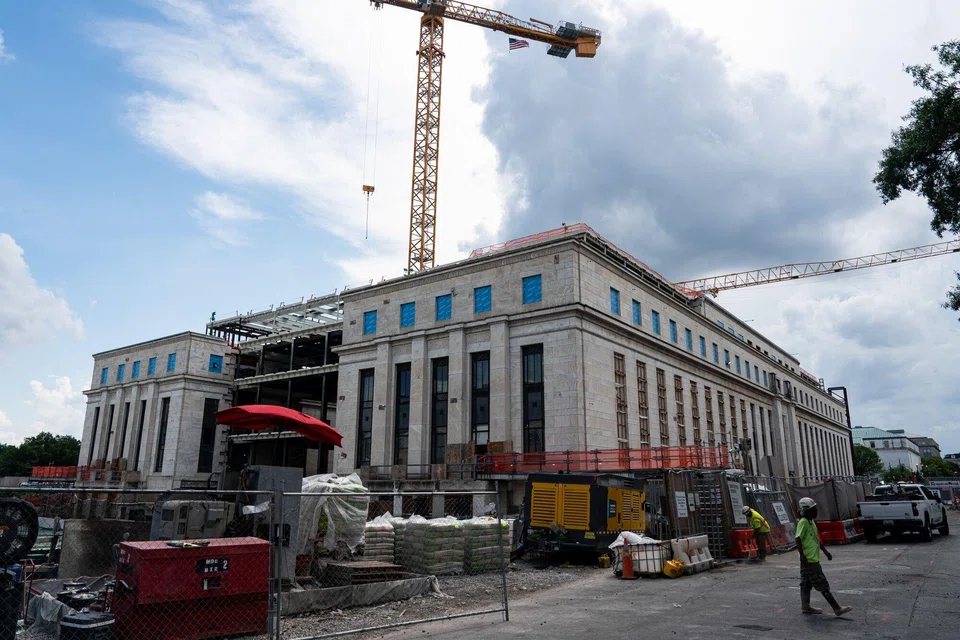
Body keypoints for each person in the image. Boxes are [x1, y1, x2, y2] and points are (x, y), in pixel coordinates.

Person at [795, 497, 852, 616]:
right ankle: (837, 608)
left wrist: (825, 551)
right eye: (813, 510)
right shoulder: (803, 522)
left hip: (812, 558)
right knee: (822, 584)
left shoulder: (811, 522)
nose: (816, 512)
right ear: (806, 511)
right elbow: (798, 538)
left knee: (806, 583)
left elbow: (815, 539)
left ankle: (805, 606)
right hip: (809, 560)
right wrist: (802, 555)